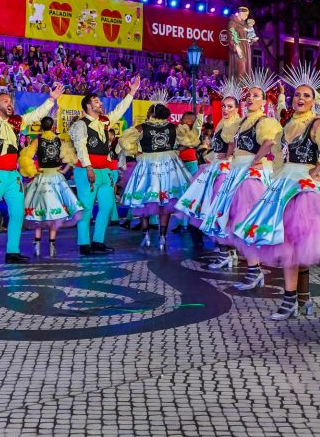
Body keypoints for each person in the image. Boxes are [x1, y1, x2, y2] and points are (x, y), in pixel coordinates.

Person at [233, 63, 320, 320]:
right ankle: (295, 300)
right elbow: (277, 152)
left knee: (298, 245)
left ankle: (299, 299)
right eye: (297, 94)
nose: (300, 98)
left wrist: (317, 168)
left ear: (313, 101)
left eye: (306, 95)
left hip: (305, 187)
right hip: (285, 182)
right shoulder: (286, 124)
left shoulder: (318, 125)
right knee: (288, 244)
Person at [204, 68, 281, 289]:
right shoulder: (241, 122)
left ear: (264, 102)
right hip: (237, 170)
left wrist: (256, 158)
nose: (250, 98)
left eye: (256, 96)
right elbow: (230, 142)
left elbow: (269, 141)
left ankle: (254, 270)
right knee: (235, 219)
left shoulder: (264, 121)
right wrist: (229, 157)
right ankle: (251, 268)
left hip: (250, 174)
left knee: (246, 220)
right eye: (249, 95)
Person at [0, 84, 64, 265]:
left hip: (12, 176)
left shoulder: (15, 121)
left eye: (10, 101)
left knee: (17, 213)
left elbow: (35, 115)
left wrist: (51, 99)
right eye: (5, 101)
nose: (9, 104)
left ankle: (12, 251)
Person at [68, 77, 140, 256]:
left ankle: (98, 241)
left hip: (104, 170)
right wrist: (89, 167)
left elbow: (119, 110)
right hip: (87, 170)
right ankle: (84, 244)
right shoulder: (80, 124)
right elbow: (80, 147)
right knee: (85, 207)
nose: (100, 103)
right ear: (88, 107)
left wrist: (131, 92)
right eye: (96, 101)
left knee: (107, 206)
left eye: (99, 100)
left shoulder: (104, 121)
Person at [178, 78, 242, 267]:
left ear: (237, 108)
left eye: (230, 106)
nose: (226, 109)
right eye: (224, 106)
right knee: (214, 208)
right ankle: (228, 252)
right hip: (217, 166)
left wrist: (225, 160)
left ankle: (227, 252)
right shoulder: (223, 121)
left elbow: (232, 146)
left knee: (219, 209)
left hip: (225, 168)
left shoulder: (236, 123)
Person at [118, 91, 194, 251]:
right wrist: (178, 151)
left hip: (148, 163)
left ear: (152, 113)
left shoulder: (141, 127)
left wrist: (136, 152)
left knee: (146, 199)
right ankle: (162, 237)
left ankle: (146, 235)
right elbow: (191, 141)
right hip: (168, 163)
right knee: (165, 203)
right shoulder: (174, 127)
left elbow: (124, 140)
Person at [19, 117, 81, 257]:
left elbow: (24, 157)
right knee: (55, 213)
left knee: (39, 211)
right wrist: (64, 171)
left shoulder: (37, 140)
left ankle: (37, 244)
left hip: (41, 177)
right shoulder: (59, 140)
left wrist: (32, 171)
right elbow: (72, 157)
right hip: (56, 177)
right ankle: (52, 244)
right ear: (53, 126)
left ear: (41, 127)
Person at [227, 7, 254, 77]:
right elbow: (231, 35)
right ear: (240, 13)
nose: (246, 17)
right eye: (245, 15)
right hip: (238, 48)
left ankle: (245, 87)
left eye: (247, 15)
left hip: (246, 49)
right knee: (241, 68)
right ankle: (239, 86)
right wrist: (236, 47)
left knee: (246, 70)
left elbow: (248, 36)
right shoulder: (232, 23)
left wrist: (251, 39)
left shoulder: (245, 25)